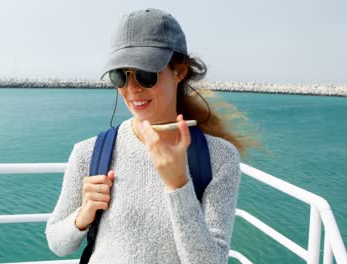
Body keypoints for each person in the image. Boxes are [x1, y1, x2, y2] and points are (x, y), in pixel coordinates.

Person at [46, 8, 253, 264]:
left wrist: (178, 185)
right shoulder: (89, 153)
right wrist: (84, 213)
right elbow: (57, 243)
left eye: (145, 75)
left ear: (179, 71)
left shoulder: (219, 158)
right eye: (120, 75)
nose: (131, 89)